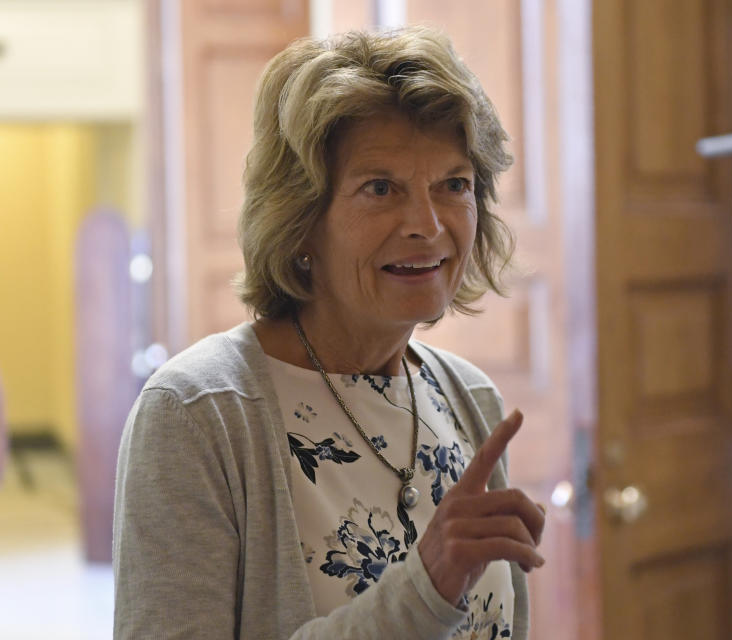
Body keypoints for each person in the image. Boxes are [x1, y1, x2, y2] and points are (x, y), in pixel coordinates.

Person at [112, 26, 546, 640]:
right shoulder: (197, 415)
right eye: (380, 188)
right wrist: (424, 592)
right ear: (301, 221)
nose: (427, 224)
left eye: (454, 184)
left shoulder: (468, 398)